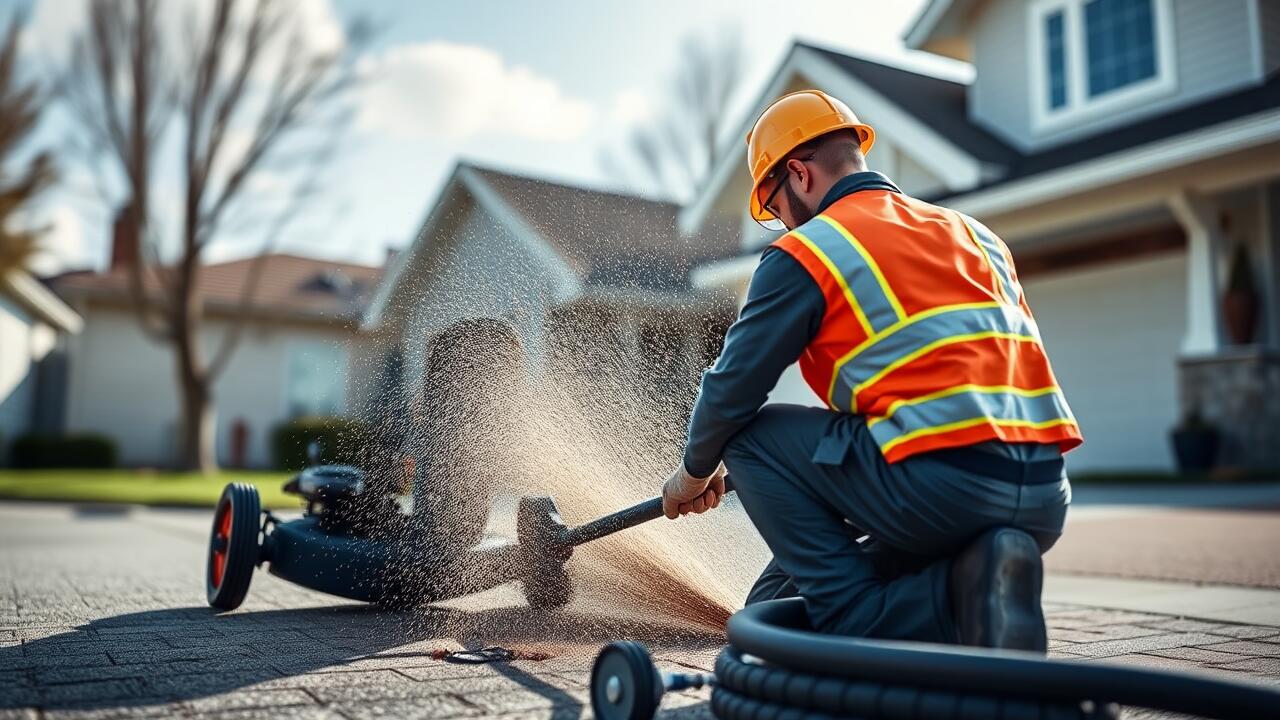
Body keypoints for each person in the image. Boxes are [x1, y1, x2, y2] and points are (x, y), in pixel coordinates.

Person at [660, 90, 1082, 651]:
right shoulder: (975, 235)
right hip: (1042, 497)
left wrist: (691, 475)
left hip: (943, 488)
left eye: (776, 209)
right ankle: (984, 576)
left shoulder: (809, 251)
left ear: (798, 174)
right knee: (767, 609)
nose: (783, 226)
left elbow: (729, 392)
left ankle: (880, 613)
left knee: (750, 438)